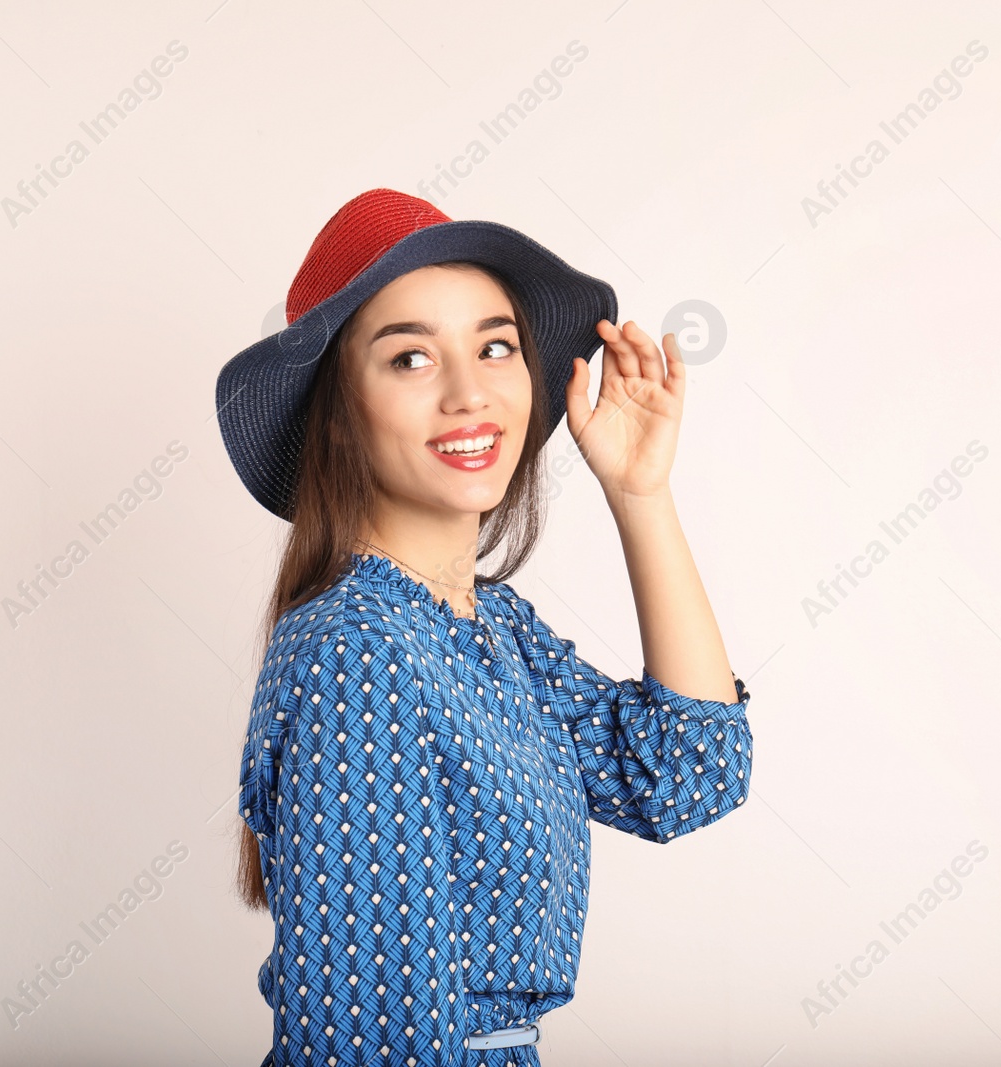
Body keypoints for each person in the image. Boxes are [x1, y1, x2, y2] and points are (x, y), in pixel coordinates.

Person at [215, 188, 753, 1065]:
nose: (470, 393)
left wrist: (642, 495)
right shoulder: (361, 653)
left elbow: (688, 772)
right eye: (411, 358)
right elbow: (375, 1045)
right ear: (338, 405)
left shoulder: (492, 627)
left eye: (495, 346)